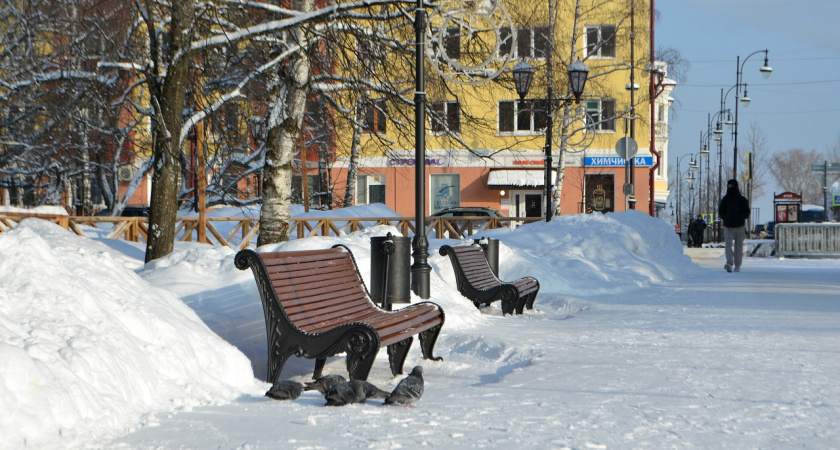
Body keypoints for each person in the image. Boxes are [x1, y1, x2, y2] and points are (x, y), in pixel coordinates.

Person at [718, 179, 750, 272]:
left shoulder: (742, 200)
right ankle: (729, 262)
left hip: (739, 226)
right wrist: (726, 218)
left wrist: (740, 217)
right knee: (728, 245)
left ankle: (738, 265)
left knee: (738, 246)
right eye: (729, 185)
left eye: (731, 185)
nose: (730, 187)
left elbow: (747, 212)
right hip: (728, 226)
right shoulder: (725, 199)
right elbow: (721, 211)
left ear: (735, 186)